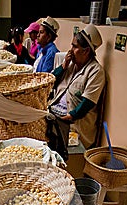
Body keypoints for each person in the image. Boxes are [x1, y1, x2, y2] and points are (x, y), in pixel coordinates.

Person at [48, 24, 106, 153]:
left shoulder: (95, 71)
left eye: (74, 47)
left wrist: (68, 117)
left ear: (86, 51)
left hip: (72, 123)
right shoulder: (70, 64)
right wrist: (63, 66)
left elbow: (87, 102)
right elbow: (50, 81)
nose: (70, 50)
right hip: (55, 112)